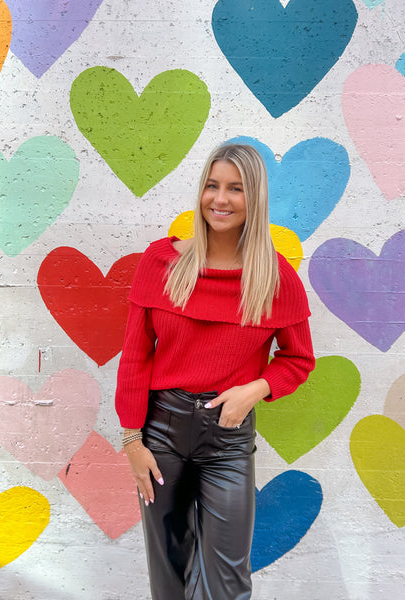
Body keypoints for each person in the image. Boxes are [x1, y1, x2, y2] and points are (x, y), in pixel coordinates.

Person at [115, 143, 315, 600]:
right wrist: (131, 440)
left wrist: (257, 389)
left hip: (228, 439)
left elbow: (298, 359)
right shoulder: (161, 263)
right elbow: (135, 356)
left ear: (255, 199)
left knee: (226, 582)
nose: (219, 200)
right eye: (212, 185)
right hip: (160, 433)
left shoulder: (276, 279)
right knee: (169, 573)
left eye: (235, 189)